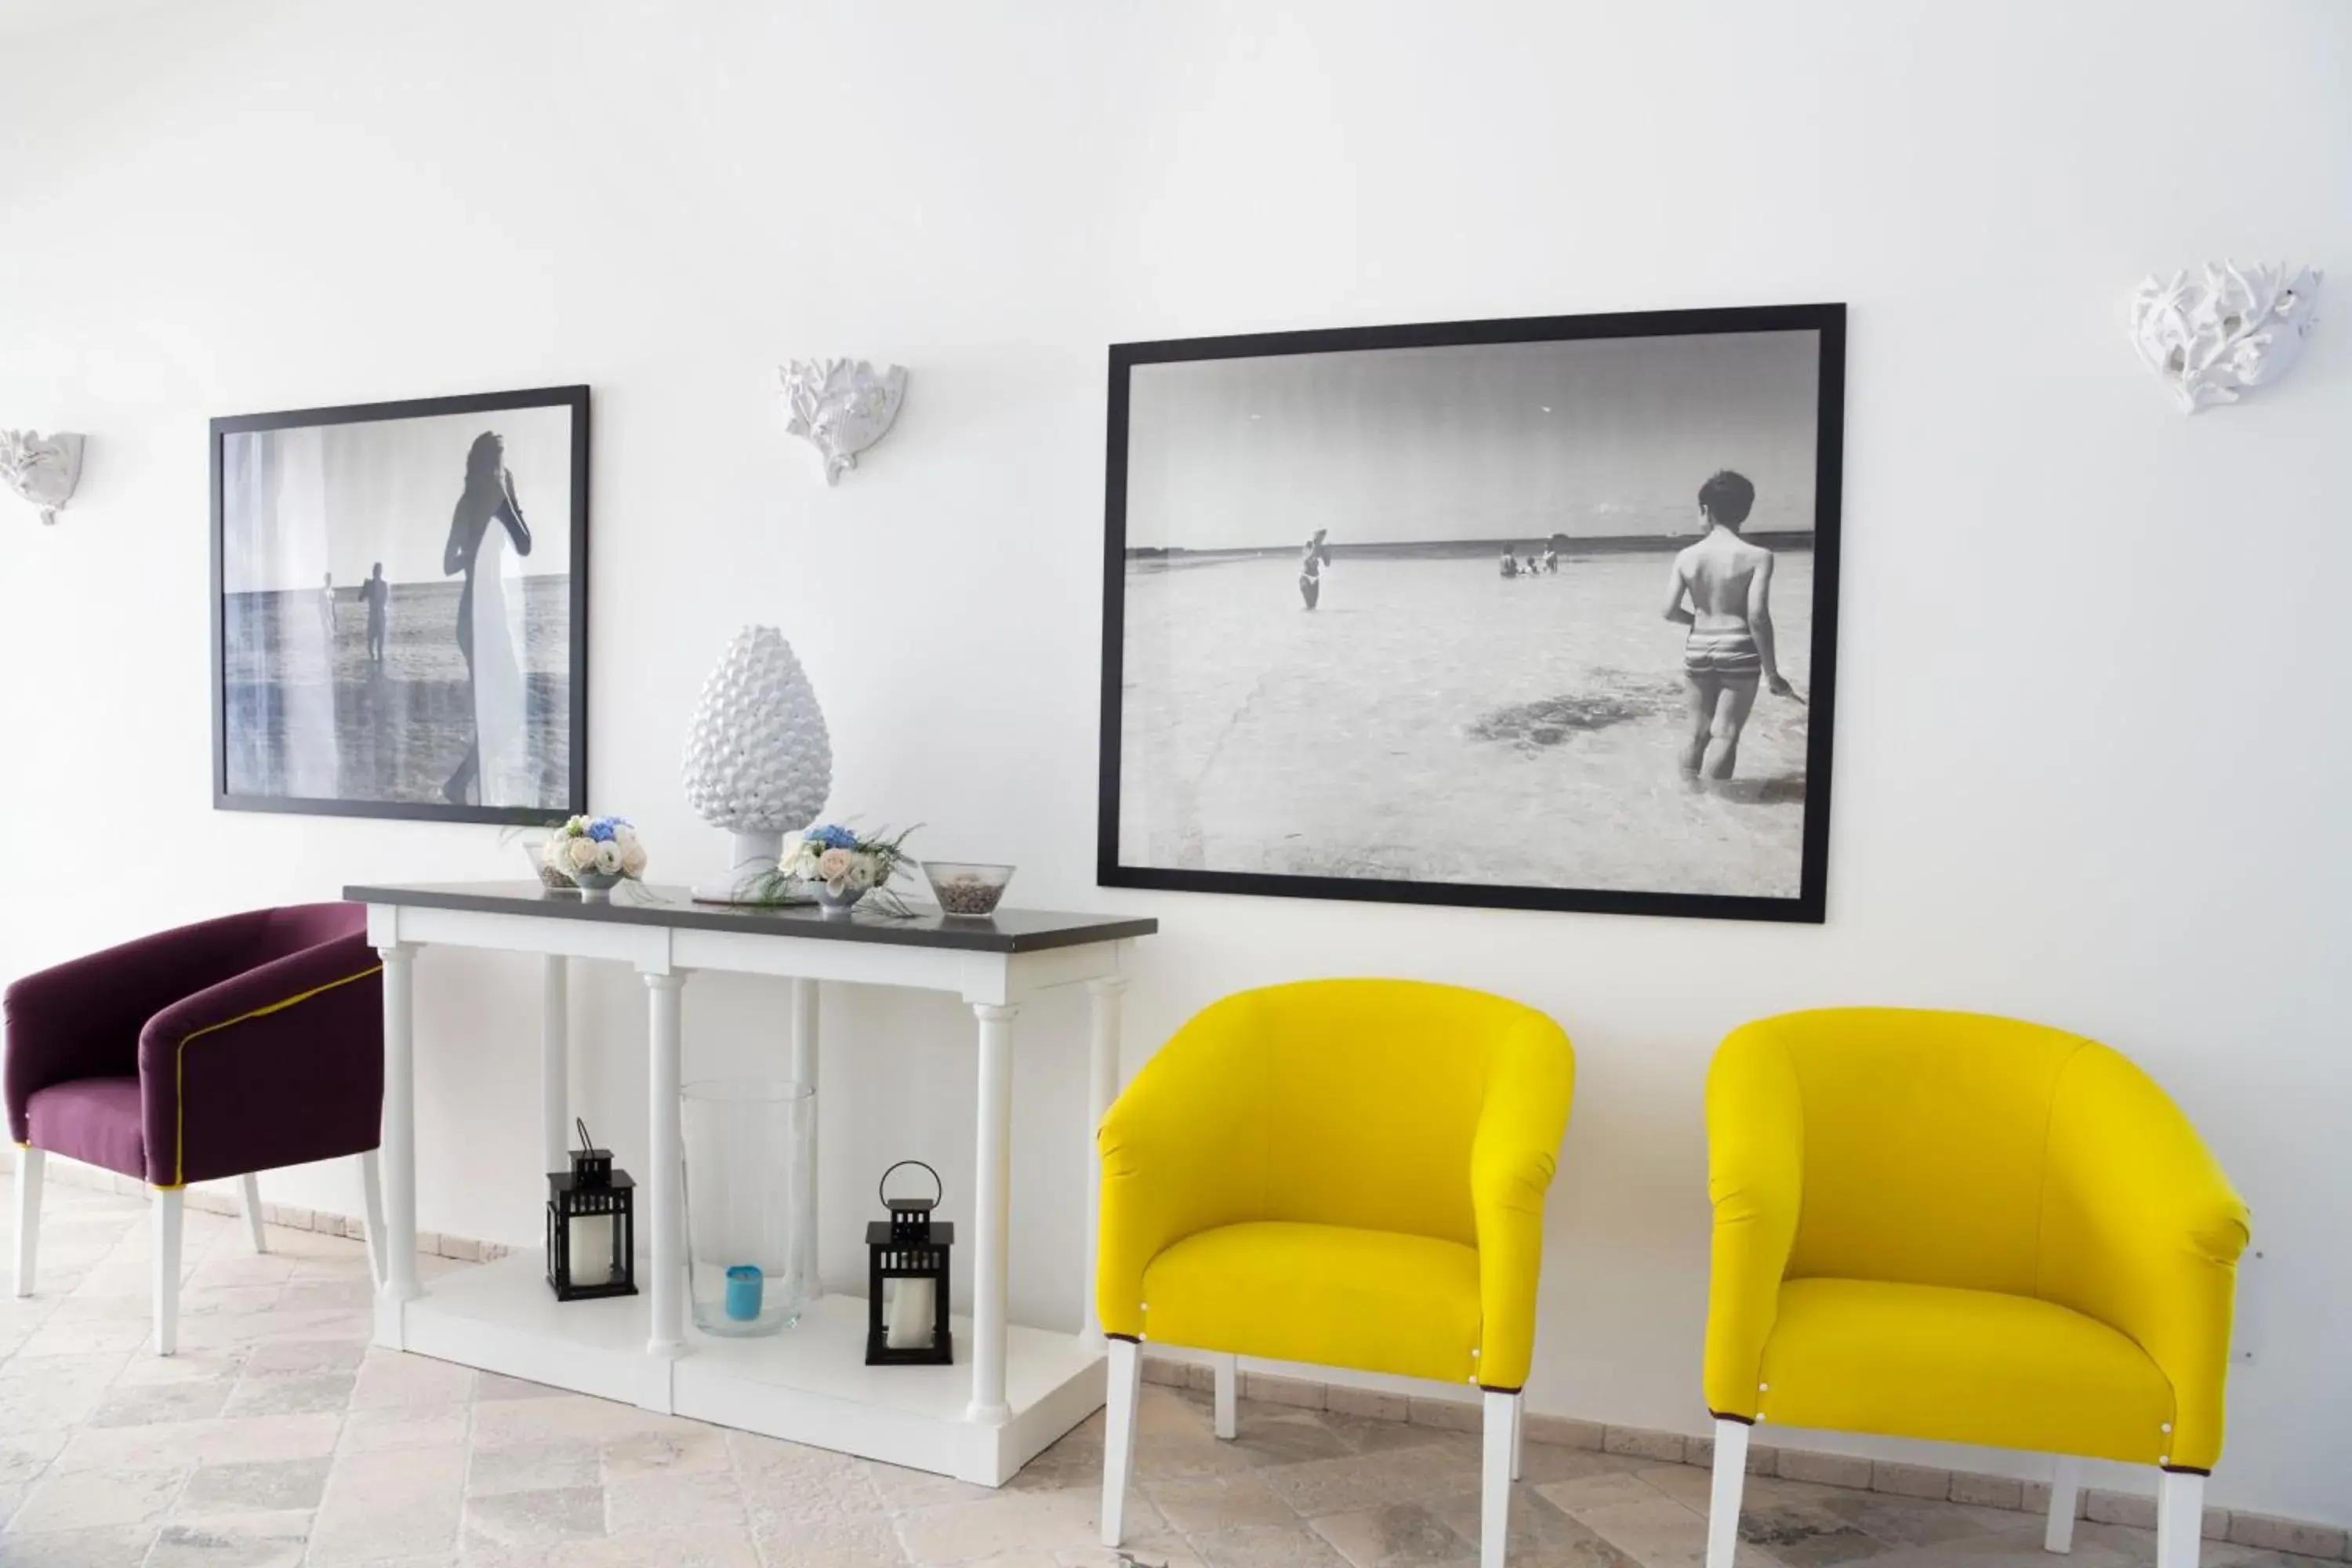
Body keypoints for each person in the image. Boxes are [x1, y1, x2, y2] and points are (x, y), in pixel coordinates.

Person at [1663, 470, 1795, 786]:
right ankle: (1718, 806)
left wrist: (1698, 622)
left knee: (1696, 732)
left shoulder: (1686, 556)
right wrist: (1772, 674)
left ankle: (1691, 801)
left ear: (1705, 511)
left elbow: (1668, 611)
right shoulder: (1758, 556)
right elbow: (1758, 617)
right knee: (1726, 734)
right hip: (1738, 647)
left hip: (1697, 647)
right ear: (1745, 511)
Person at [442, 432, 533, 806]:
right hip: (487, 616)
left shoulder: (465, 503)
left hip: (472, 617)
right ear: (494, 465)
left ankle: (460, 784)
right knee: (508, 712)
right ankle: (461, 785)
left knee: (498, 710)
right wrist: (511, 499)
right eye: (500, 462)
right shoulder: (498, 499)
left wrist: (474, 555)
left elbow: (449, 564)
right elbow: (525, 545)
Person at [364, 561, 390, 664]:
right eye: (375, 570)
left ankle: (377, 668)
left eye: (376, 571)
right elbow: (360, 598)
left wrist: (368, 590)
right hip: (376, 616)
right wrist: (365, 589)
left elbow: (382, 600)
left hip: (378, 617)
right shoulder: (372, 585)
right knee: (373, 645)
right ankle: (375, 667)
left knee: (377, 646)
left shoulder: (382, 585)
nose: (375, 572)